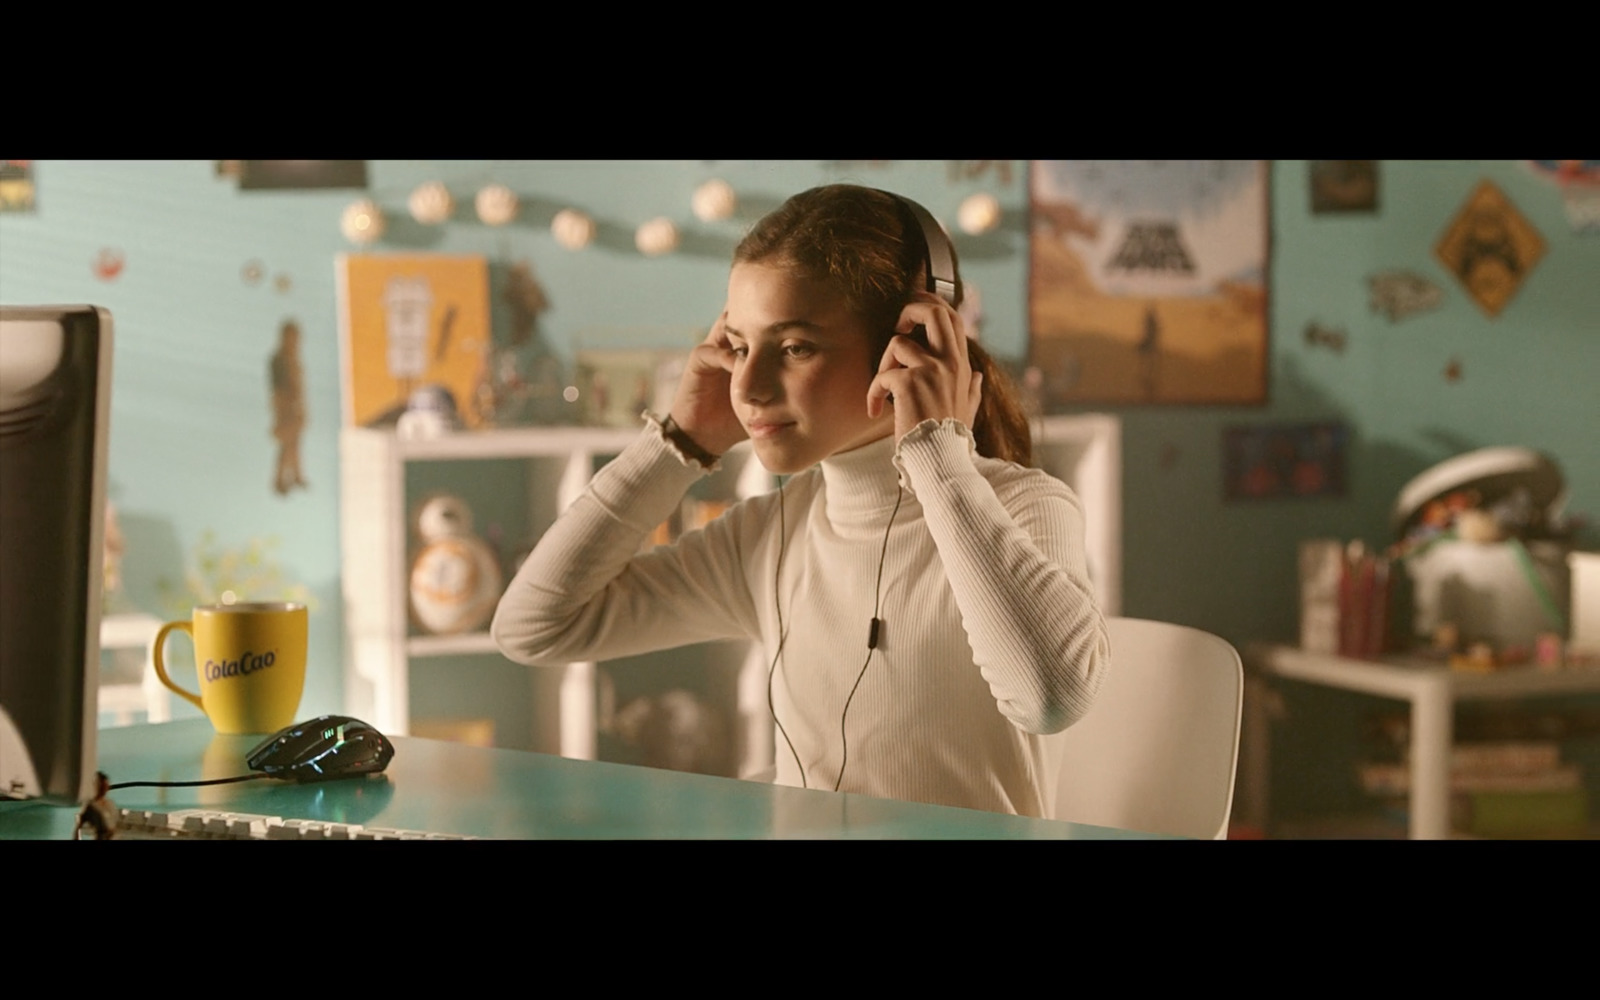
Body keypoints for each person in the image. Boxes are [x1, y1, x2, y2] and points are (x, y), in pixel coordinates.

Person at [493, 185, 1108, 817]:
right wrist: (678, 441)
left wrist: (937, 459)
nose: (749, 387)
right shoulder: (773, 533)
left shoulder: (1025, 507)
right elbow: (533, 627)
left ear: (912, 343)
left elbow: (1051, 698)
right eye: (738, 347)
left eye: (794, 348)